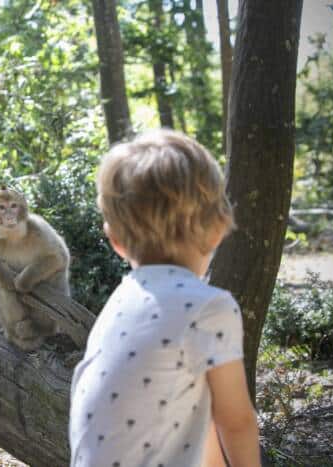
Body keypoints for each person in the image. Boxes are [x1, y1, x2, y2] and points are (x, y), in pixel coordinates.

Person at [69, 129, 260, 467]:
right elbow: (236, 422)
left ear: (115, 240)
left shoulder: (122, 303)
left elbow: (202, 422)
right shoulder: (209, 308)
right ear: (218, 227)